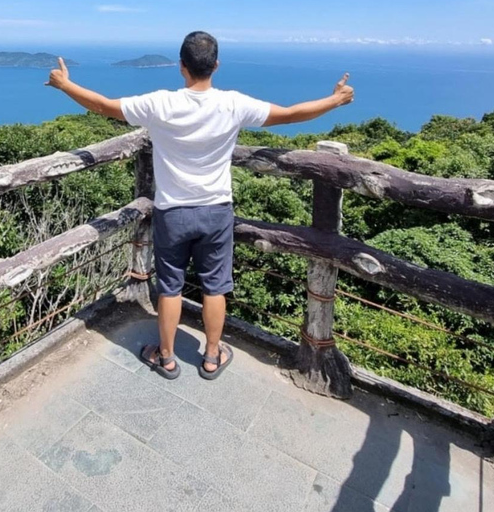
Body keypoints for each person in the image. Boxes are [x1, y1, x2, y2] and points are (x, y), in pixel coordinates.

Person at [45, 31, 354, 381]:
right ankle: (211, 356)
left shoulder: (160, 104)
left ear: (181, 66)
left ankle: (166, 357)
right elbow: (290, 114)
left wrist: (64, 85)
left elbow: (104, 106)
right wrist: (335, 100)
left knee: (170, 287)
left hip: (172, 212)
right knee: (215, 286)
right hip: (216, 211)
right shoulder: (233, 104)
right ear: (216, 65)